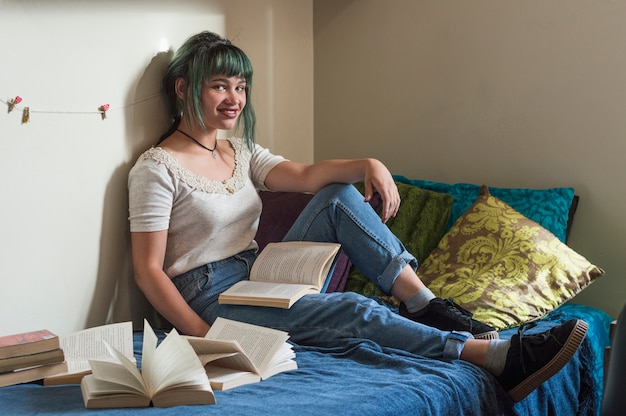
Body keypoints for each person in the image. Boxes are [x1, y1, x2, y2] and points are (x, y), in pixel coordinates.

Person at [128, 31, 588, 403]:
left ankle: (426, 305)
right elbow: (148, 272)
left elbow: (308, 177)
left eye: (240, 86)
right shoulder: (157, 167)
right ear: (184, 88)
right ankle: (485, 355)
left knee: (337, 195)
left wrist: (369, 164)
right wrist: (205, 336)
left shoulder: (237, 149)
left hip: (255, 274)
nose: (234, 99)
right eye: (219, 86)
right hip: (208, 298)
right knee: (355, 308)